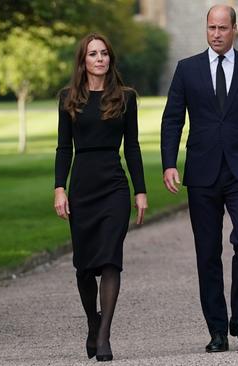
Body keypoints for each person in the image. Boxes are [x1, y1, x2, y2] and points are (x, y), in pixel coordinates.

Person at [160, 5, 238, 353]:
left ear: (234, 30)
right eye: (211, 27)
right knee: (207, 252)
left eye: (223, 28)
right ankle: (216, 329)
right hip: (202, 172)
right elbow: (172, 121)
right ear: (206, 29)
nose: (216, 34)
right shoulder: (187, 70)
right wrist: (170, 163)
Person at [54, 33, 147, 361]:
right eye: (92, 54)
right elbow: (64, 147)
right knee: (83, 267)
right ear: (83, 61)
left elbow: (132, 147)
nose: (99, 59)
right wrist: (59, 188)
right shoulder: (68, 98)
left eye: (104, 53)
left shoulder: (125, 97)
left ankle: (104, 334)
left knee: (110, 260)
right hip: (81, 188)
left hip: (114, 189)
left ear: (110, 59)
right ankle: (92, 322)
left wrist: (140, 191)